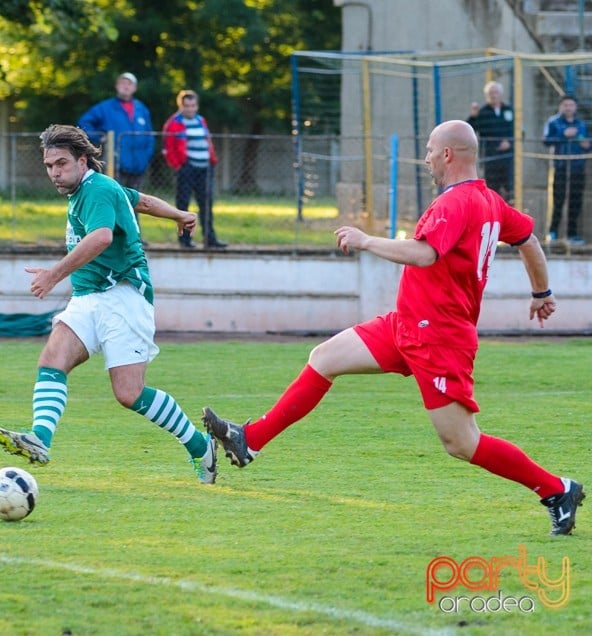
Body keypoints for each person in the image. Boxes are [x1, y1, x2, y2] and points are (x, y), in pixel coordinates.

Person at [202, 120, 585, 536]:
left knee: (461, 443)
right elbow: (528, 238)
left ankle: (557, 490)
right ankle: (249, 440)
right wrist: (541, 291)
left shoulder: (454, 204)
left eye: (429, 150)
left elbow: (424, 254)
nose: (425, 158)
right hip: (407, 324)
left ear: (447, 155)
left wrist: (367, 241)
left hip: (439, 335)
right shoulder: (490, 201)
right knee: (324, 358)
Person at [0, 124, 217, 484]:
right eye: (49, 165)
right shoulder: (97, 187)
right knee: (52, 359)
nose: (54, 172)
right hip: (88, 297)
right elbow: (141, 201)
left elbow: (100, 237)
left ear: (83, 161)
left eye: (61, 164)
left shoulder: (96, 189)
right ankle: (40, 439)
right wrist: (179, 214)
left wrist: (53, 275)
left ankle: (199, 446)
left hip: (122, 296)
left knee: (129, 394)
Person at [78, 72, 156, 238]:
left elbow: (150, 135)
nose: (125, 86)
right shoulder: (105, 108)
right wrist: (99, 137)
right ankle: (112, 237)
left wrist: (146, 157)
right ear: (117, 86)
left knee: (136, 202)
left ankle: (134, 237)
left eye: (129, 84)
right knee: (114, 200)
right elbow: (84, 122)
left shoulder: (141, 109)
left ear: (134, 88)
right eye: (122, 83)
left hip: (138, 165)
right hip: (116, 164)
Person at [162, 90, 226, 249]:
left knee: (206, 204)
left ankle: (209, 238)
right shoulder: (174, 123)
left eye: (193, 105)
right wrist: (178, 165)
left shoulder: (201, 120)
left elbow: (207, 141)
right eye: (187, 106)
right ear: (181, 106)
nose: (190, 109)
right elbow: (168, 148)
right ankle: (185, 240)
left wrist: (212, 160)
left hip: (204, 167)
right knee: (183, 204)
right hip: (187, 167)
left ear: (197, 106)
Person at [543, 94, 590, 245]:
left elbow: (587, 142)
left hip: (577, 167)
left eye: (571, 105)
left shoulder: (581, 124)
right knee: (558, 200)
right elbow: (546, 140)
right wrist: (563, 135)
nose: (568, 108)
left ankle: (572, 234)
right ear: (561, 106)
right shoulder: (554, 122)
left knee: (575, 201)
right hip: (561, 166)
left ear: (575, 107)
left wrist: (586, 144)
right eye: (566, 105)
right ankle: (553, 233)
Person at [467, 81, 514, 200]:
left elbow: (518, 131)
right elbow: (469, 130)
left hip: (508, 157)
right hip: (490, 157)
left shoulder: (509, 110)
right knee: (493, 189)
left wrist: (509, 142)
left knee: (510, 189)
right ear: (486, 95)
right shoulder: (482, 112)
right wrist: (473, 117)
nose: (494, 95)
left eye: (496, 92)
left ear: (501, 94)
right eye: (491, 93)